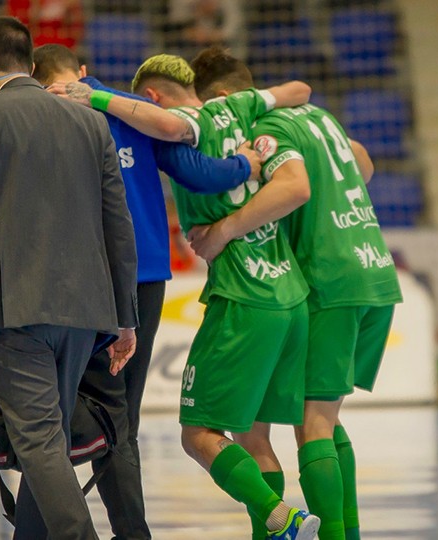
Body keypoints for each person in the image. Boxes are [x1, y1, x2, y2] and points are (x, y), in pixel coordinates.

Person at [50, 54, 320, 540]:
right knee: (127, 418)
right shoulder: (158, 112)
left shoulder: (112, 113)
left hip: (83, 279)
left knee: (61, 418)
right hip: (188, 279)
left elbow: (182, 139)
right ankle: (136, 533)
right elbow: (204, 168)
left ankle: (274, 514)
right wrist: (244, 163)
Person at [0, 17, 139, 540]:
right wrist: (125, 318)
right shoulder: (90, 122)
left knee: (40, 444)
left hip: (15, 306)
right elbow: (118, 223)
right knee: (48, 441)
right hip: (86, 311)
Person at [186, 46, 402, 540]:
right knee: (325, 417)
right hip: (373, 268)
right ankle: (346, 532)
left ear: (226, 97)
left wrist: (223, 231)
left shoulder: (267, 127)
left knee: (311, 424)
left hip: (328, 276)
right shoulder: (316, 116)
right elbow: (363, 165)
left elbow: (294, 188)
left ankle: (329, 535)